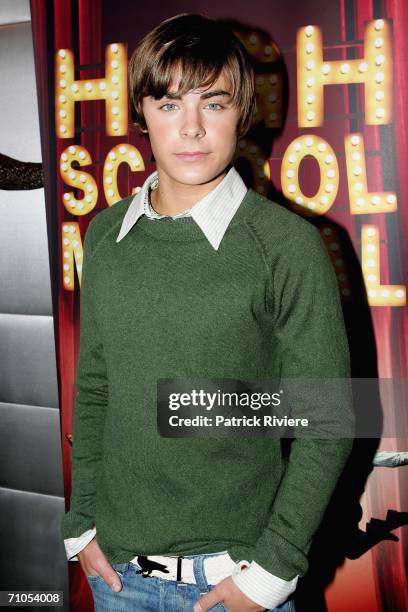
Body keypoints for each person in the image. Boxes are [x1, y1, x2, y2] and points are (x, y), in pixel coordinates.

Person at [61, 13, 353, 612]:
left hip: (237, 582)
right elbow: (96, 389)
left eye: (213, 103)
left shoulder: (286, 246)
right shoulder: (106, 234)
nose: (191, 128)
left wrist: (270, 573)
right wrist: (83, 525)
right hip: (116, 577)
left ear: (242, 113)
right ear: (141, 112)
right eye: (169, 104)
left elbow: (327, 417)